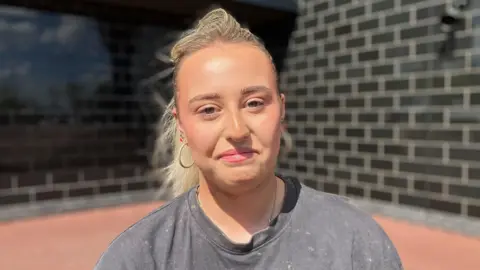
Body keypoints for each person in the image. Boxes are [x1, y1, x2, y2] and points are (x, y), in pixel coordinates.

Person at [94, 8, 403, 270]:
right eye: (209, 109)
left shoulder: (355, 243)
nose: (237, 129)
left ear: (281, 112)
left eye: (254, 103)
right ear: (183, 128)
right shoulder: (138, 258)